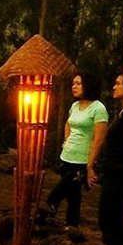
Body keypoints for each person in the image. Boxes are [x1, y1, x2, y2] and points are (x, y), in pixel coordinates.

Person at [43, 73, 108, 228]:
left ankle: (47, 207)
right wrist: (67, 142)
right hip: (67, 156)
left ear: (88, 85)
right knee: (73, 194)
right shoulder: (75, 106)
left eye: (78, 83)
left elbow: (99, 140)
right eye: (73, 83)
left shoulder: (99, 109)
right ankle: (73, 226)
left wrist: (90, 166)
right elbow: (68, 124)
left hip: (83, 159)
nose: (74, 86)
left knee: (63, 188)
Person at [95, 70, 123, 245]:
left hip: (120, 175)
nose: (114, 87)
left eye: (118, 83)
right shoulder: (122, 113)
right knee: (112, 217)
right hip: (113, 174)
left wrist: (113, 168)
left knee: (108, 217)